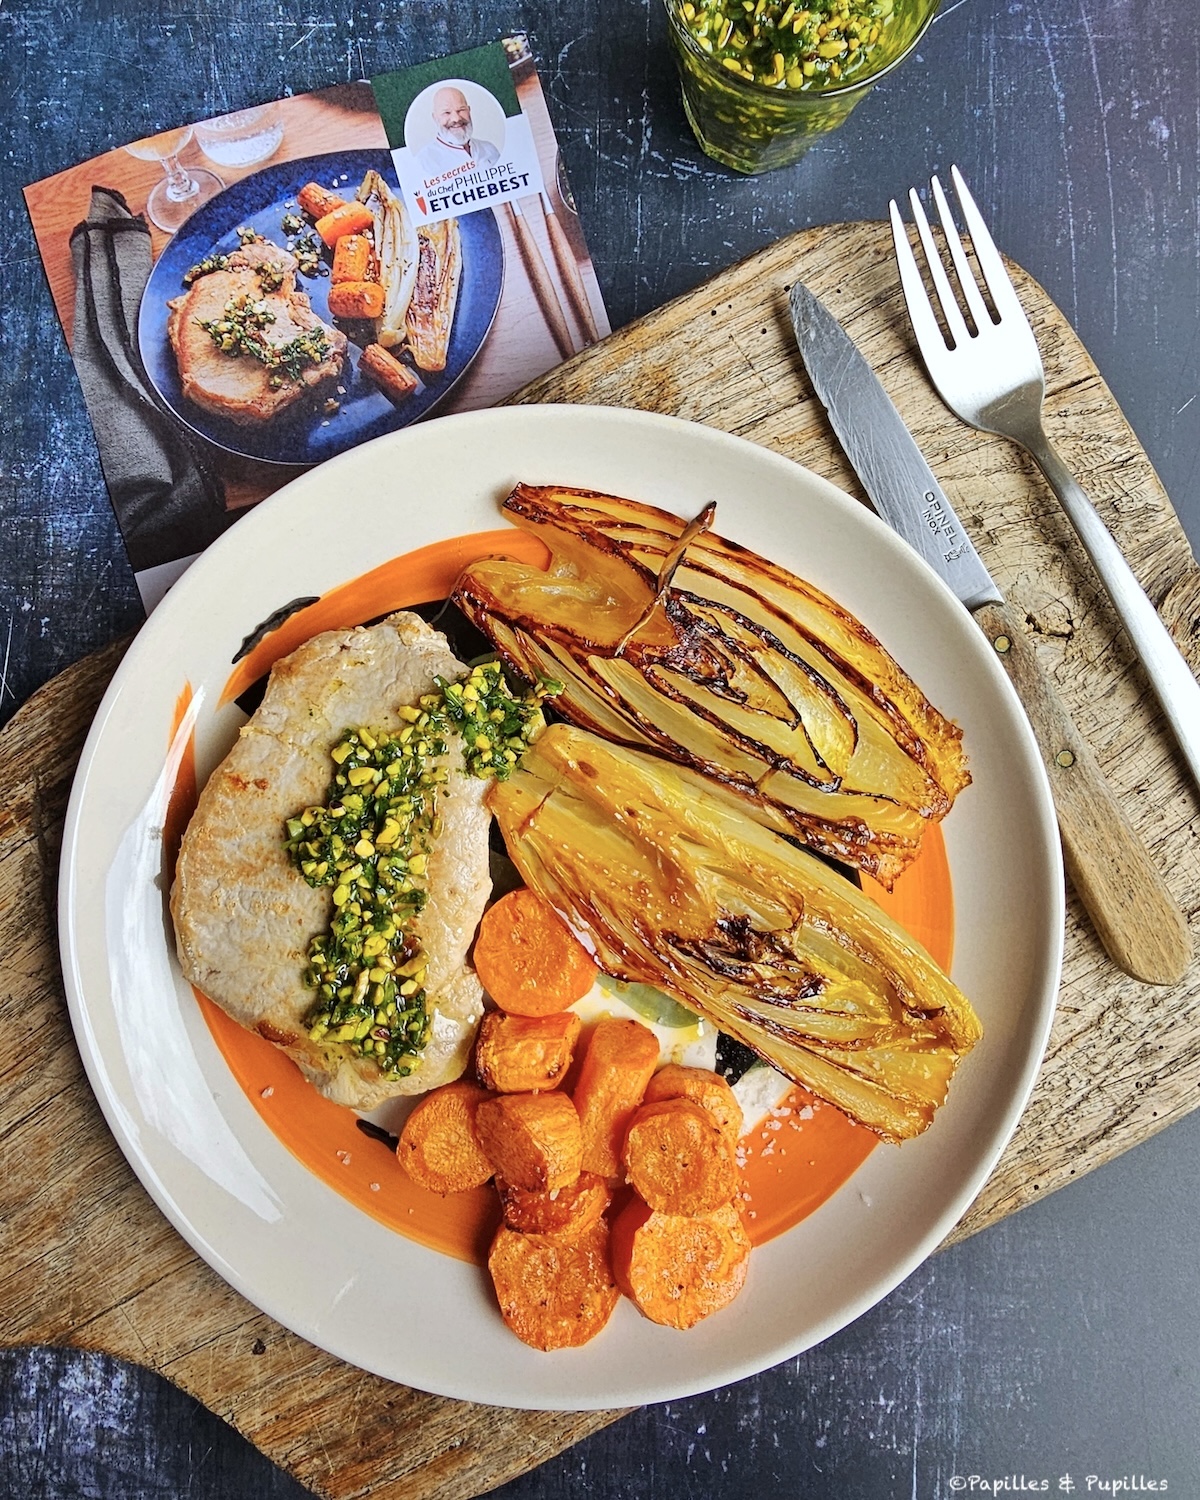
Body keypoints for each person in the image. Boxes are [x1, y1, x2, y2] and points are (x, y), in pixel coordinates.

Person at [415, 87, 500, 179]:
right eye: (447, 112)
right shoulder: (423, 162)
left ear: (469, 110)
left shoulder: (489, 149)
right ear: (435, 118)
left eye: (461, 110)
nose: (456, 118)